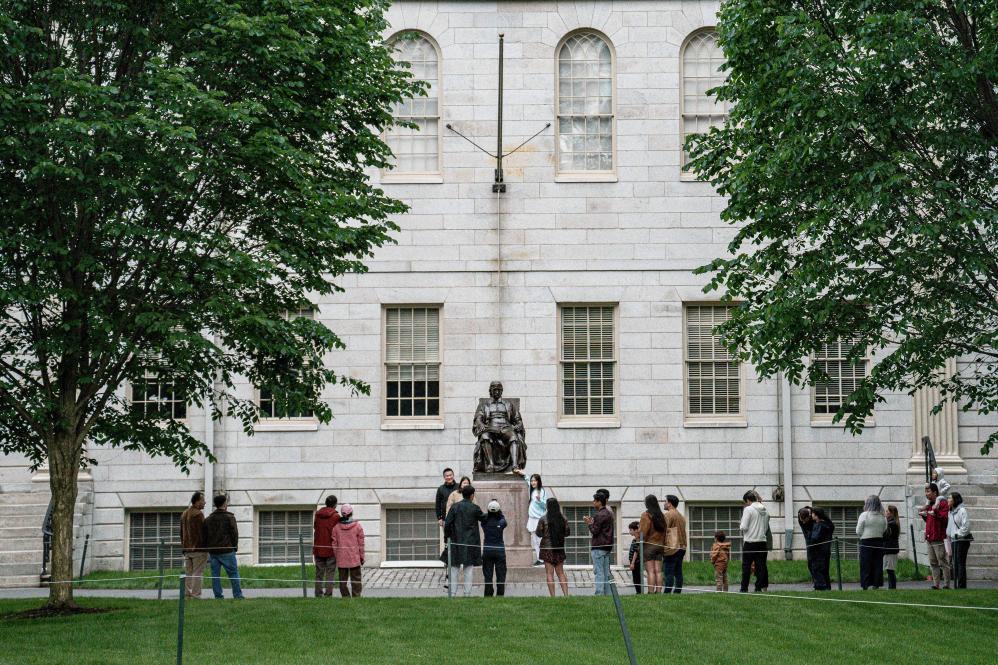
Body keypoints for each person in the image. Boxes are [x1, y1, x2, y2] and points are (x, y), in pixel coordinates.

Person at [445, 484, 485, 596]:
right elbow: (484, 518)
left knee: (454, 568)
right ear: (472, 495)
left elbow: (447, 524)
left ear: (462, 494)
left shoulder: (455, 507)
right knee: (468, 569)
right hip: (470, 542)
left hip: (455, 541)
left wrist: (448, 537)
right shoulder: (475, 508)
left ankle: (452, 593)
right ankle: (467, 593)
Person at [203, 494, 244, 599]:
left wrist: (208, 548)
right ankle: (238, 595)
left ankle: (218, 595)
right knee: (233, 574)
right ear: (225, 503)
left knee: (215, 575)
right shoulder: (230, 517)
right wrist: (234, 547)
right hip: (227, 550)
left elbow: (205, 536)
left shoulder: (208, 519)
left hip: (213, 551)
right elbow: (234, 534)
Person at [918, 482, 951, 589]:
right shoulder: (929, 504)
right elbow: (930, 520)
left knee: (942, 561)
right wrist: (924, 515)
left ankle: (946, 584)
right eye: (925, 491)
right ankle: (936, 584)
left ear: (935, 492)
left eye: (928, 491)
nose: (926, 493)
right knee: (933, 562)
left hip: (938, 537)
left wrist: (935, 511)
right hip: (930, 537)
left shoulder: (942, 503)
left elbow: (945, 519)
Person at [536, 497, 570, 596]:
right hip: (559, 548)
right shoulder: (563, 518)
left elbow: (538, 533)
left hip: (547, 549)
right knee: (561, 573)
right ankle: (566, 595)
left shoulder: (543, 519)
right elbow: (567, 533)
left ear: (547, 507)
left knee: (549, 573)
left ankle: (553, 597)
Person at [583, 491, 614, 595]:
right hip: (607, 546)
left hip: (599, 546)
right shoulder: (608, 513)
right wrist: (592, 522)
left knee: (599, 572)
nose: (593, 502)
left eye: (594, 501)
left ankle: (599, 594)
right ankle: (607, 593)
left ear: (599, 502)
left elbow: (595, 531)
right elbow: (601, 529)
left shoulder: (599, 514)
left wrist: (588, 523)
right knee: (606, 572)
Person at [739, 490, 769, 593]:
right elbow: (766, 528)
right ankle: (758, 588)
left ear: (748, 500)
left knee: (746, 567)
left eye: (745, 502)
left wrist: (740, 525)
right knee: (761, 566)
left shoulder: (748, 509)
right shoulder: (765, 510)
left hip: (750, 542)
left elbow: (744, 527)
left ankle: (744, 588)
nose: (746, 504)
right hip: (762, 542)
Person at [331, 503, 364, 597]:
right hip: (354, 557)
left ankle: (345, 597)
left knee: (342, 580)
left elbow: (334, 545)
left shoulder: (336, 527)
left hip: (341, 558)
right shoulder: (357, 526)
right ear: (351, 513)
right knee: (356, 579)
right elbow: (361, 544)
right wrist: (362, 557)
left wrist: (337, 556)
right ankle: (356, 596)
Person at [856, 495, 887, 590]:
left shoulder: (864, 515)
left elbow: (858, 530)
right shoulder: (882, 516)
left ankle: (865, 584)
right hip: (879, 541)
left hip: (866, 541)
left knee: (865, 564)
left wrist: (863, 535)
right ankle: (876, 584)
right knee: (878, 564)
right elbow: (884, 529)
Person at [180, 491, 207, 599]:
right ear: (197, 501)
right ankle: (196, 595)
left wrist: (184, 547)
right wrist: (206, 546)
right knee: (197, 572)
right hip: (198, 549)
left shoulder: (184, 513)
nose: (205, 502)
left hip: (187, 549)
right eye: (203, 500)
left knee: (188, 573)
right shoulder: (198, 514)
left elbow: (181, 532)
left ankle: (187, 594)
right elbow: (203, 532)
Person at [312, 495, 340, 597]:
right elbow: (338, 532)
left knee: (319, 573)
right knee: (330, 572)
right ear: (335, 505)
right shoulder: (336, 516)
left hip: (318, 547)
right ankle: (328, 594)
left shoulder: (318, 514)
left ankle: (318, 593)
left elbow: (315, 527)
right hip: (330, 548)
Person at [638, 495, 666, 593]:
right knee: (658, 571)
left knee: (650, 571)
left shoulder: (646, 515)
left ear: (647, 503)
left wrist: (639, 539)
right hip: (660, 545)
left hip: (649, 545)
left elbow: (643, 532)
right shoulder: (661, 515)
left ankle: (650, 592)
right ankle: (658, 591)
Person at [481, 500, 508, 597]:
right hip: (499, 550)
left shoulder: (484, 521)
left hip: (487, 550)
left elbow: (483, 517)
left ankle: (488, 594)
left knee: (488, 575)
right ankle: (500, 594)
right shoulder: (502, 521)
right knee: (501, 575)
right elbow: (504, 520)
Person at [662, 495, 687, 594]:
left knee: (668, 572)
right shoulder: (681, 516)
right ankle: (677, 592)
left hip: (672, 547)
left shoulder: (668, 514)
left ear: (669, 503)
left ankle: (667, 592)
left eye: (665, 501)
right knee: (678, 572)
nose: (664, 503)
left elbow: (663, 530)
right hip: (682, 546)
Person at [947, 492, 972, 589]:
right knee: (956, 563)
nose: (948, 500)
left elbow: (966, 526)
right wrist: (950, 535)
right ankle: (956, 585)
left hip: (962, 541)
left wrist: (958, 534)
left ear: (955, 500)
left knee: (960, 563)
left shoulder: (962, 510)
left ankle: (961, 586)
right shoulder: (951, 512)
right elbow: (950, 527)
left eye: (950, 498)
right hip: (954, 540)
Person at [526, 473, 548, 566]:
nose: (533, 482)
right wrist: (523, 474)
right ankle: (539, 558)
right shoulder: (533, 490)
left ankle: (543, 559)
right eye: (532, 481)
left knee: (539, 540)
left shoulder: (541, 491)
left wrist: (539, 500)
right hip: (532, 518)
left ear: (538, 481)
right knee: (535, 540)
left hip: (538, 518)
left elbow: (545, 505)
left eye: (535, 481)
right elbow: (527, 480)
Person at [883, 504, 901, 590]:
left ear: (891, 513)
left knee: (890, 570)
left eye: (887, 511)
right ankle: (891, 587)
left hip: (891, 549)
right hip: (889, 549)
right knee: (889, 569)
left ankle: (892, 588)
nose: (885, 513)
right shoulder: (891, 522)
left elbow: (886, 536)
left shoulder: (892, 524)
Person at [627, 521, 642, 594]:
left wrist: (632, 563)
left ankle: (639, 592)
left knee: (636, 578)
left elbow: (636, 552)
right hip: (634, 561)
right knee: (635, 578)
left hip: (636, 562)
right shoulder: (634, 539)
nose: (629, 532)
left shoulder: (638, 540)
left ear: (636, 530)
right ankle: (638, 591)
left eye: (631, 530)